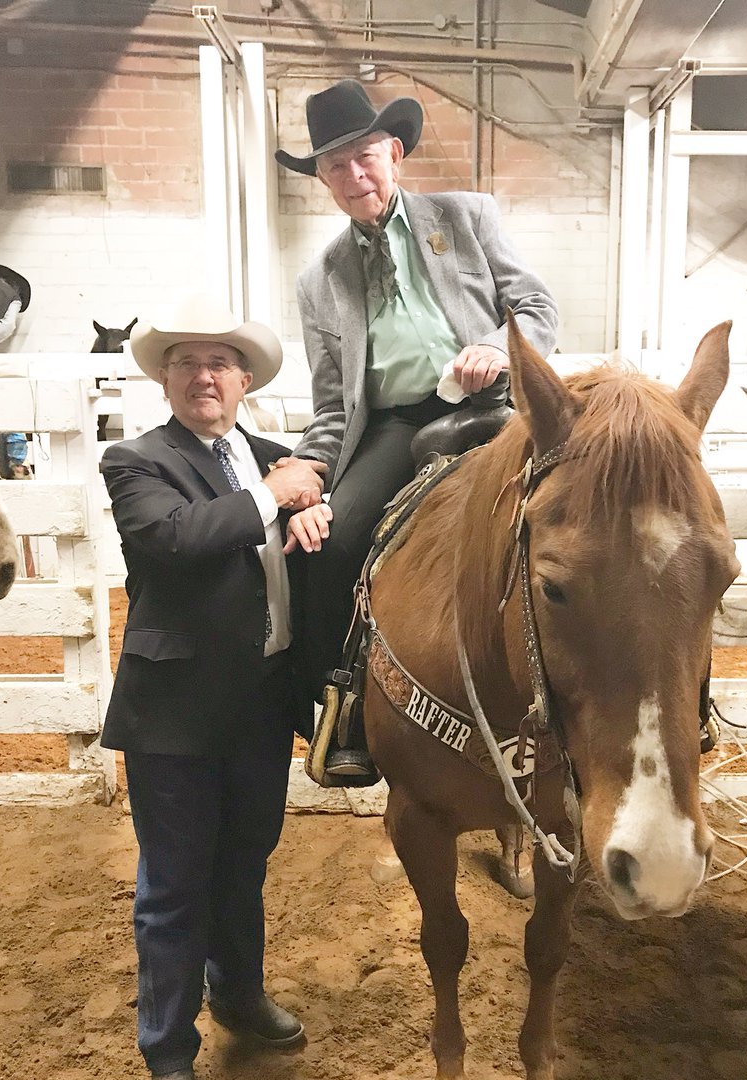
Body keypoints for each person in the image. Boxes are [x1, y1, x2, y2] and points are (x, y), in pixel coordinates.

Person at [275, 78, 559, 778]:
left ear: (394, 152)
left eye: (364, 156)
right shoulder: (320, 281)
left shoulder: (466, 217)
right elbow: (334, 403)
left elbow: (535, 304)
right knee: (329, 545)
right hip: (394, 425)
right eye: (335, 166)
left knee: (572, 525)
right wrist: (311, 470)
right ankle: (343, 712)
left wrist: (497, 346)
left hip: (489, 408)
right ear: (322, 180)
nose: (353, 175)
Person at [99, 295, 331, 1080]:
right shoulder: (137, 462)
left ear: (244, 383)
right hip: (175, 716)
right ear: (166, 378)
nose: (205, 375)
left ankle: (237, 995)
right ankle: (166, 1055)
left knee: (243, 865)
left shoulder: (276, 458)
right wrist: (277, 497)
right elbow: (174, 541)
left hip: (260, 708)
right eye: (188, 361)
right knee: (173, 888)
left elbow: (309, 502)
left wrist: (306, 501)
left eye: (221, 363)